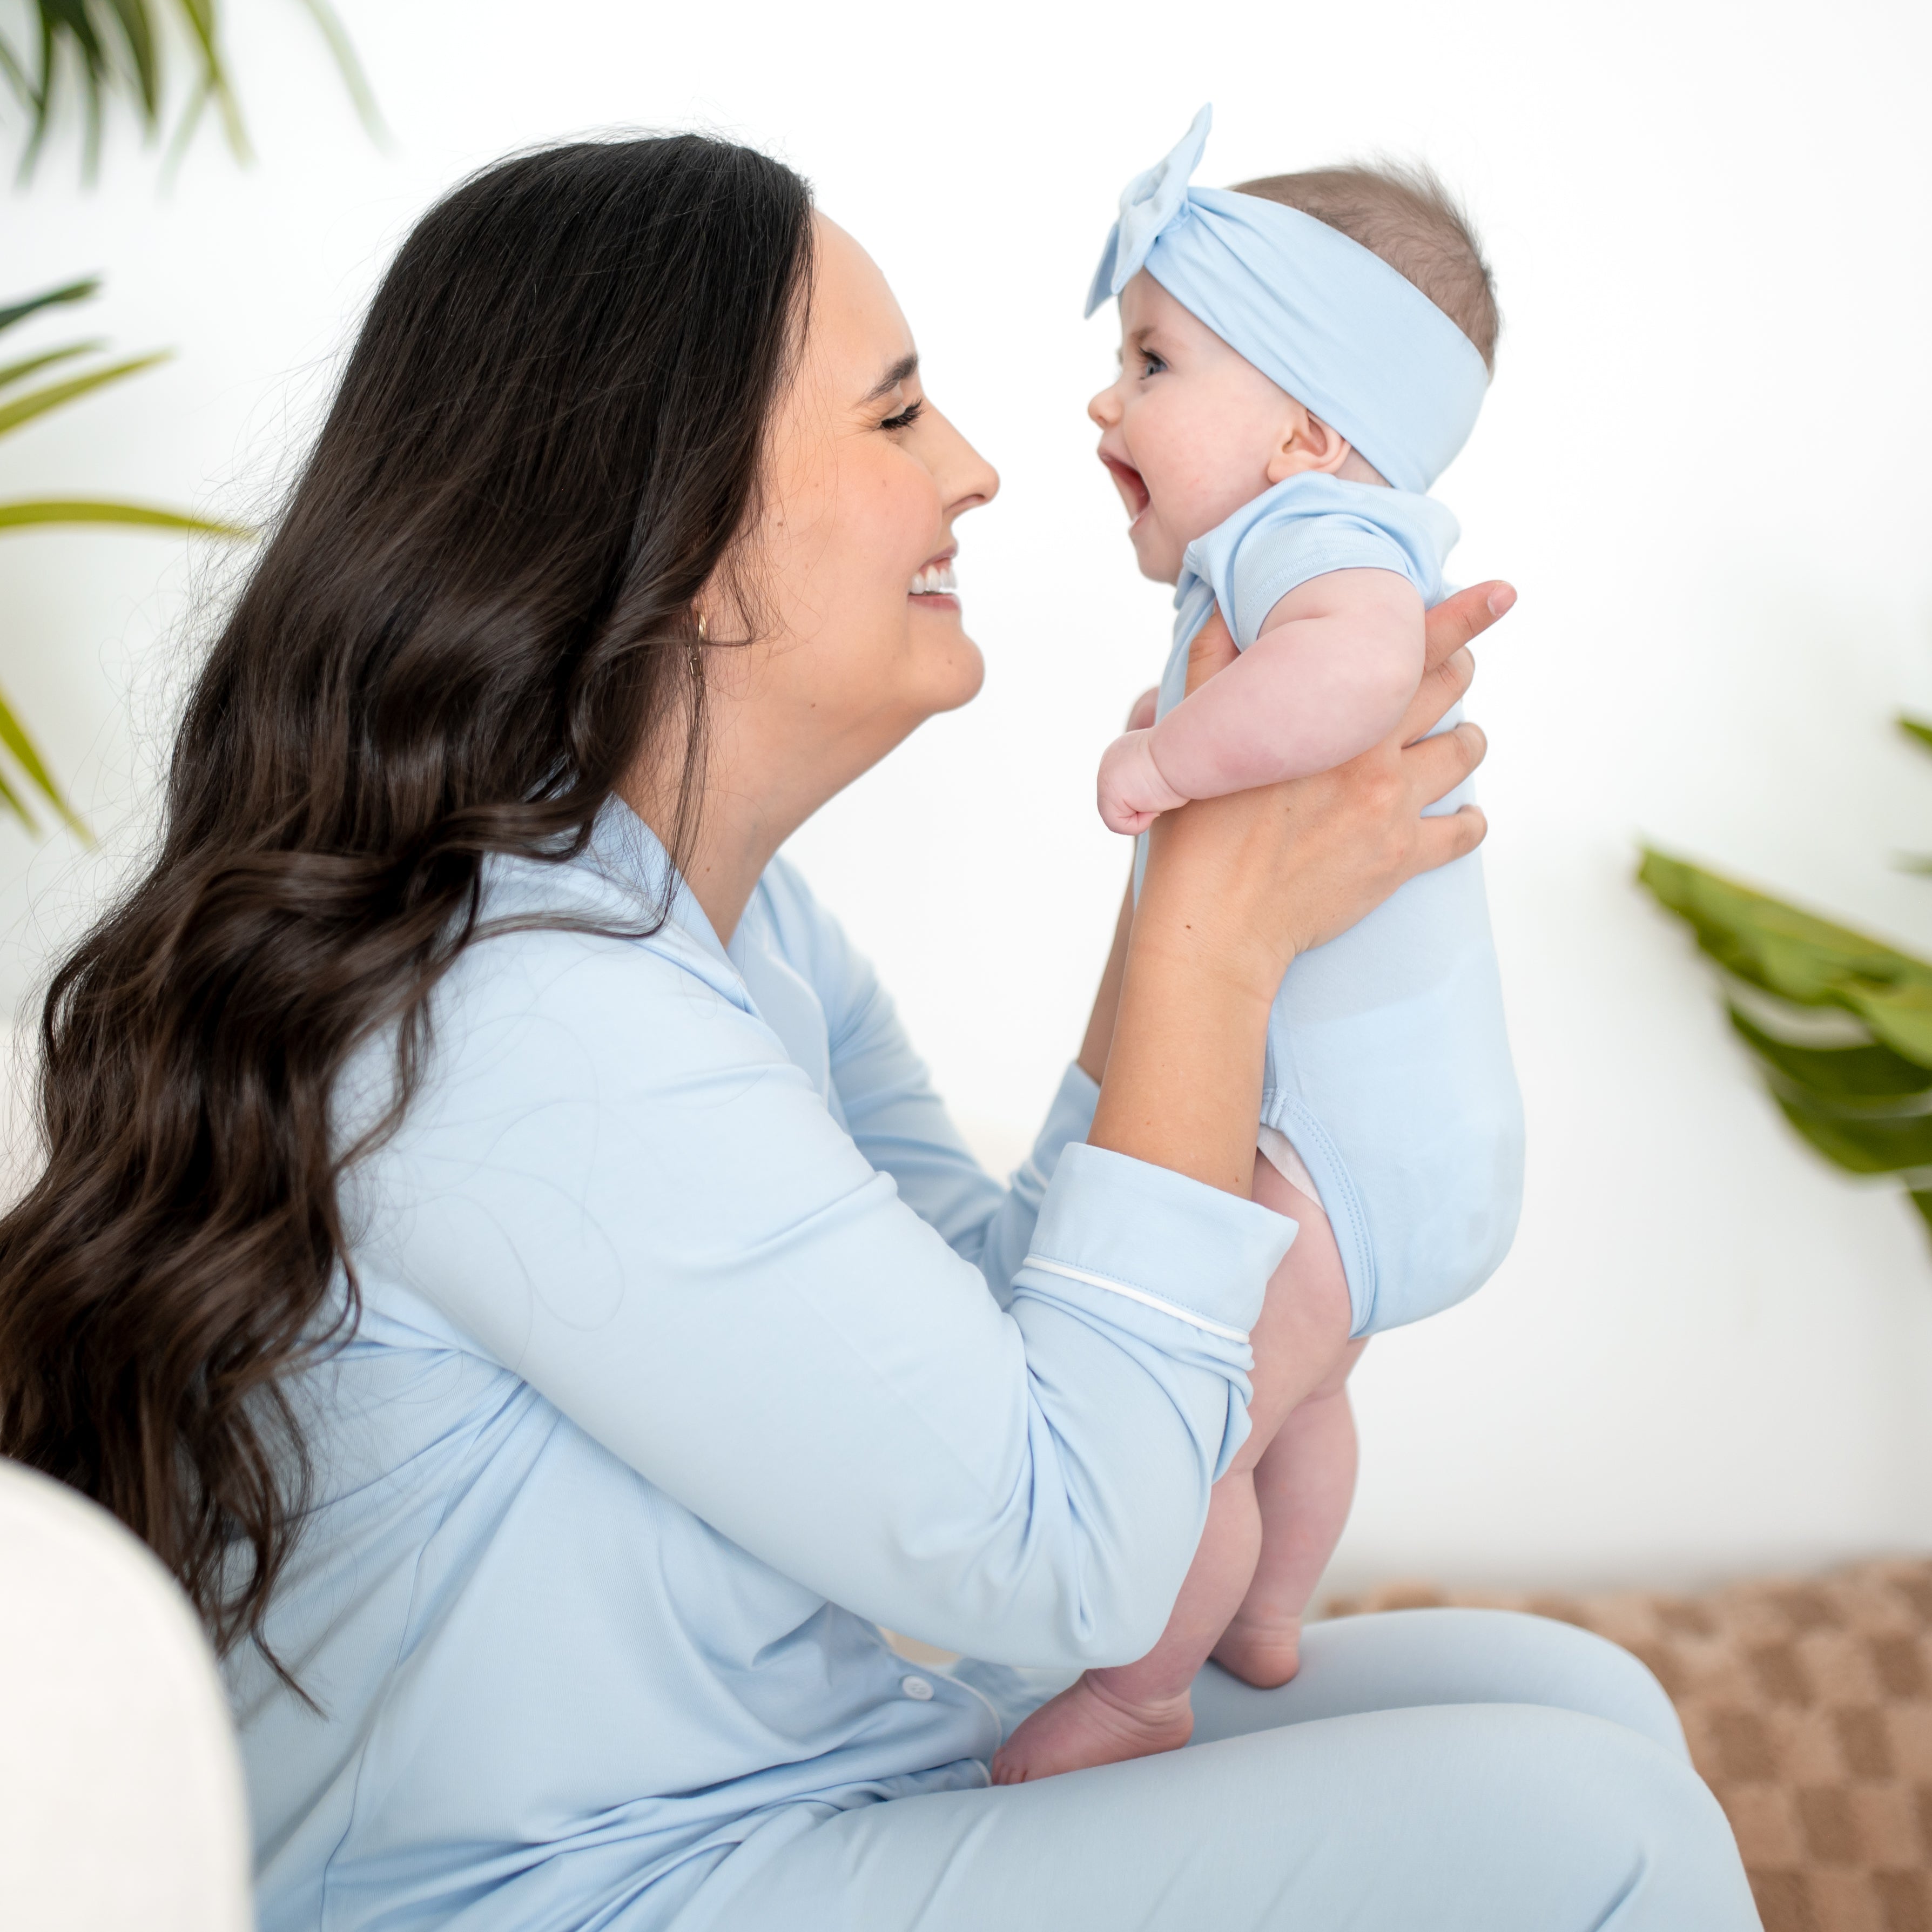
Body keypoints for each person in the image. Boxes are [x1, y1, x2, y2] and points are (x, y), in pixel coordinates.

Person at [0, 133, 1759, 1930]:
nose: (983, 469)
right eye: (900, 414)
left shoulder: (737, 936)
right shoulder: (527, 1011)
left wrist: (1196, 899)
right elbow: (1069, 1550)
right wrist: (1215, 940)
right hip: (573, 1891)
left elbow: (1008, 1347)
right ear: (674, 521)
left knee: (1581, 1703)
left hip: (805, 1780)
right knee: (1582, 1831)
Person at [995, 106, 1524, 1781]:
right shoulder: (1302, 543)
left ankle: (1143, 1686)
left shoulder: (1315, 546)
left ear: (1305, 429)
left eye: (1152, 362)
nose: (1106, 399)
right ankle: (1271, 1611)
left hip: (1339, 1152)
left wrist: (1166, 757)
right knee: (1299, 1396)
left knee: (1194, 1424)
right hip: (1388, 1155)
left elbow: (1361, 677)